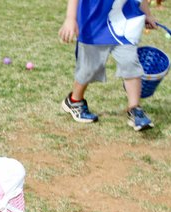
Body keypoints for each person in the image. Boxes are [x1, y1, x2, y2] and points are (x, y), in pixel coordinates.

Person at [59, 0, 158, 131]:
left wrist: (147, 14)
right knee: (89, 69)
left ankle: (135, 109)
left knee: (130, 62)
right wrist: (70, 18)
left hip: (123, 20)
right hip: (93, 22)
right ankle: (74, 100)